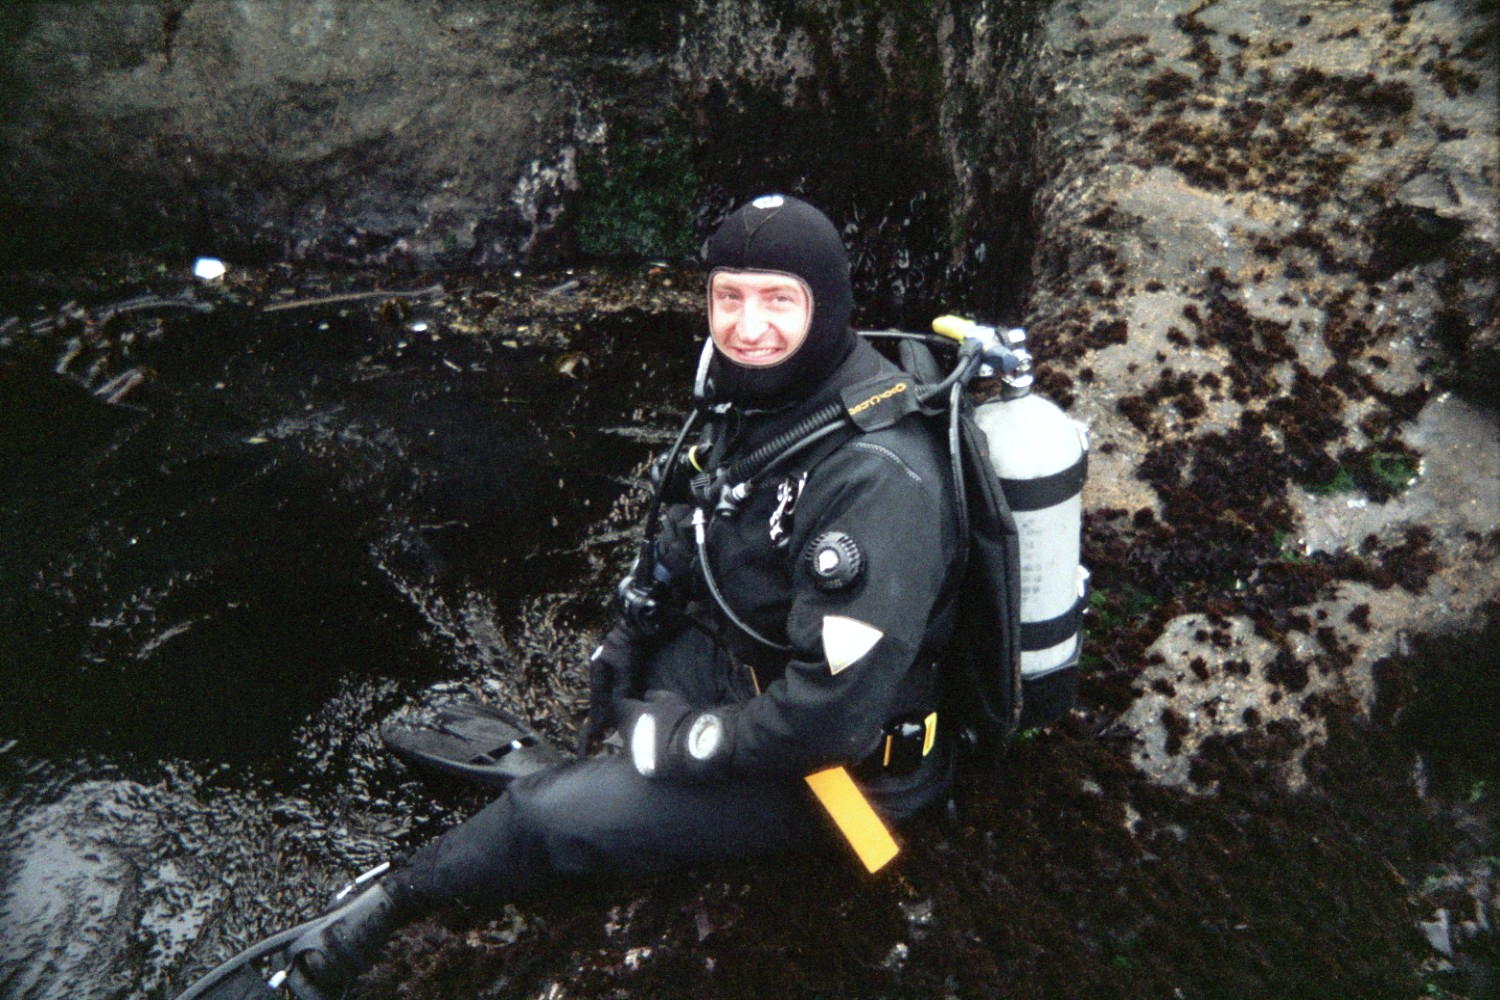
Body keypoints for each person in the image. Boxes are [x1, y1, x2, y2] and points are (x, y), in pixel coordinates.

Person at [225, 195, 965, 1000]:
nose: (747, 327)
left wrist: (682, 743)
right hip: (759, 672)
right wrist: (625, 639)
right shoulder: (760, 394)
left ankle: (393, 906)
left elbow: (829, 719)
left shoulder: (875, 476)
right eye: (729, 298)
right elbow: (699, 528)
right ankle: (592, 786)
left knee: (547, 821)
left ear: (827, 307)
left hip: (844, 775)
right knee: (617, 696)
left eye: (778, 300)